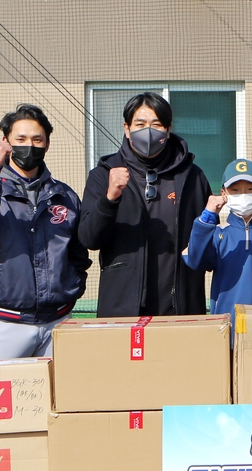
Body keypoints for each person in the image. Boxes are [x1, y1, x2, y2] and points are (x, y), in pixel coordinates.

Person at [0, 104, 91, 360]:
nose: (30, 145)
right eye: (21, 139)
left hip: (58, 320)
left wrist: (71, 287)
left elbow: (78, 251)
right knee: (0, 397)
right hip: (6, 322)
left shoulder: (64, 195)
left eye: (37, 139)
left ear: (47, 144)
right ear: (6, 141)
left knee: (58, 396)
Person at [79, 92, 211, 317]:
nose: (148, 131)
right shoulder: (103, 175)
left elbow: (207, 237)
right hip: (123, 307)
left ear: (168, 130)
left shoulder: (192, 176)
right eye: (140, 124)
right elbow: (89, 239)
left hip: (181, 307)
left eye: (156, 124)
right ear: (127, 128)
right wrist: (110, 198)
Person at [182, 158, 252, 333]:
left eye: (250, 189)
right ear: (224, 193)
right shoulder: (217, 233)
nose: (243, 195)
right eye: (235, 190)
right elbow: (195, 261)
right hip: (227, 328)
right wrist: (206, 218)